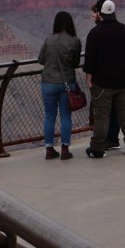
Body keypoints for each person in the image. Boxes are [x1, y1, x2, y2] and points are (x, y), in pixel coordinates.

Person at [84, 0, 125, 158]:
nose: (93, 15)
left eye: (95, 13)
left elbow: (90, 60)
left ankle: (97, 148)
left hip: (102, 84)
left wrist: (89, 79)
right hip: (123, 81)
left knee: (102, 116)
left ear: (100, 14)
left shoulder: (95, 33)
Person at [37, 11, 82, 159]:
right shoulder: (74, 41)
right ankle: (65, 149)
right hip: (66, 84)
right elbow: (76, 63)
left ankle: (49, 150)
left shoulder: (49, 39)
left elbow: (41, 60)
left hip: (48, 83)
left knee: (49, 116)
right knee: (65, 116)